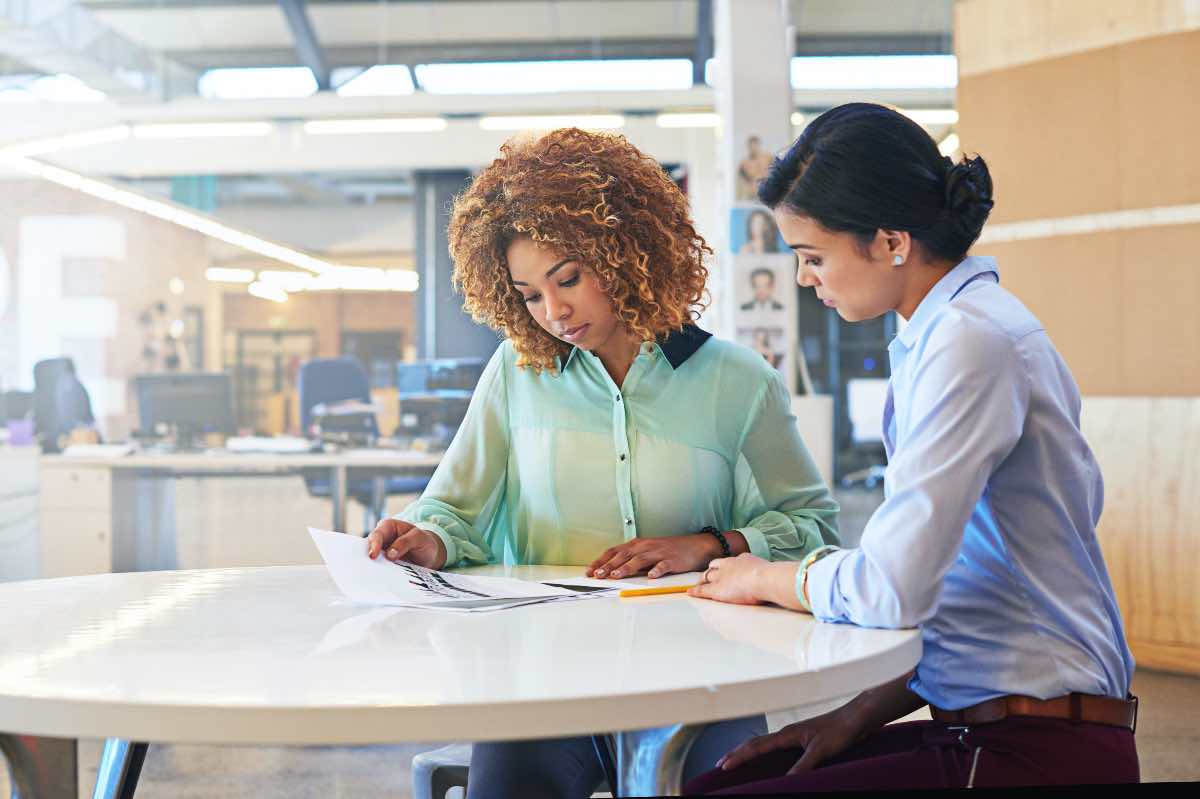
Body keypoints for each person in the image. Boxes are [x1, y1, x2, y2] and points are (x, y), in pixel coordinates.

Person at [364, 127, 840, 799]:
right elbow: (454, 511)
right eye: (529, 293)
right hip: (540, 679)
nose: (553, 311)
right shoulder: (516, 374)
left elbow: (814, 528)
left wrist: (709, 545)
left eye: (569, 278)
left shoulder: (738, 381)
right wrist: (429, 539)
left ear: (625, 253)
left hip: (698, 678)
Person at [686, 102, 1138, 793]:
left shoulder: (969, 341)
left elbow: (892, 588)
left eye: (813, 257)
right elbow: (953, 588)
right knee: (722, 777)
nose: (807, 279)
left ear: (891, 240)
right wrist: (857, 714)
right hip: (989, 717)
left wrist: (766, 575)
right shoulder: (944, 332)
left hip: (1042, 741)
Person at [736, 135, 773, 201]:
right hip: (752, 196)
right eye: (751, 146)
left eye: (755, 146)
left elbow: (775, 174)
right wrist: (739, 199)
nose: (753, 148)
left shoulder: (768, 158)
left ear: (758, 145)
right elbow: (740, 184)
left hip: (768, 194)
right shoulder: (743, 164)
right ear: (748, 147)